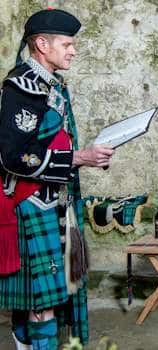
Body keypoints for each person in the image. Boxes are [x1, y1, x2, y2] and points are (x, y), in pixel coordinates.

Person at [0, 8, 114, 350]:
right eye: (66, 44)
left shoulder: (53, 83)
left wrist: (87, 158)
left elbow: (56, 141)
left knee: (41, 298)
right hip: (31, 202)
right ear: (41, 44)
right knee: (42, 302)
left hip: (55, 198)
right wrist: (79, 158)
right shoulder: (21, 87)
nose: (73, 50)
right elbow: (11, 156)